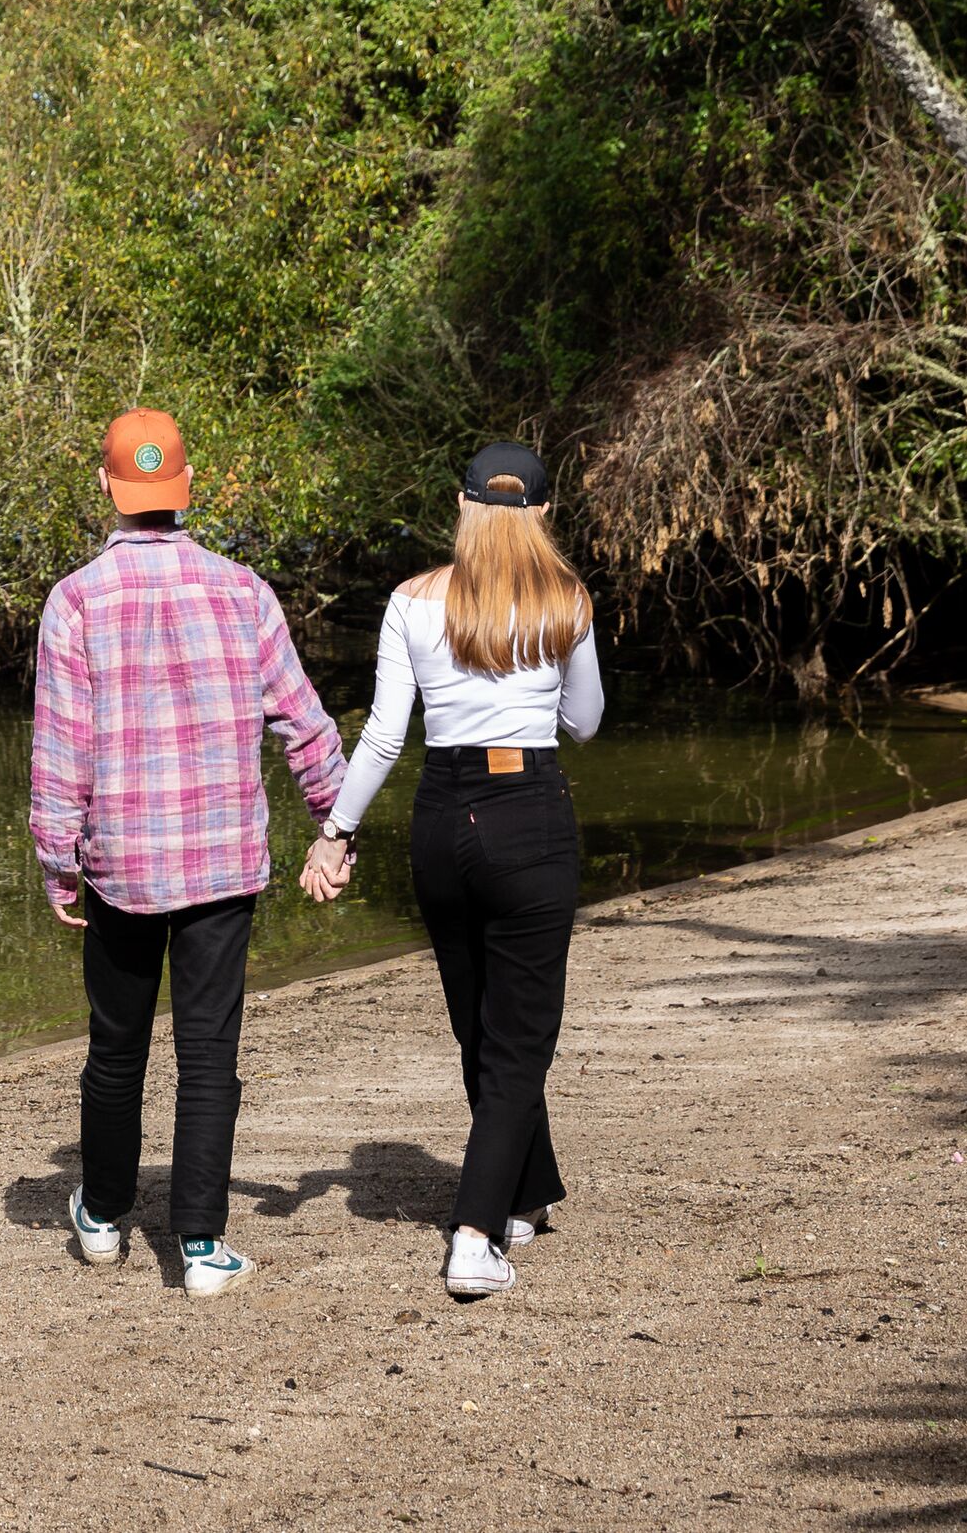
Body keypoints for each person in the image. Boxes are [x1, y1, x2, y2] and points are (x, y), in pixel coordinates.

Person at [31, 406, 347, 1298]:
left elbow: (63, 748)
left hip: (122, 866)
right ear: (185, 488)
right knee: (209, 1051)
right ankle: (201, 1247)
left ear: (107, 486)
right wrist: (335, 820)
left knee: (115, 1047)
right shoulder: (243, 589)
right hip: (220, 862)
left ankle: (101, 1214)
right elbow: (304, 721)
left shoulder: (77, 599)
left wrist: (58, 856)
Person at [298, 438, 602, 1301]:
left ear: (462, 504)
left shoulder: (409, 600)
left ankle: (521, 1193)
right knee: (520, 1038)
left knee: (480, 1023)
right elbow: (583, 722)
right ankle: (474, 1236)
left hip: (442, 817)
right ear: (543, 514)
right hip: (530, 814)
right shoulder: (566, 599)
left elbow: (387, 735)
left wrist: (336, 832)